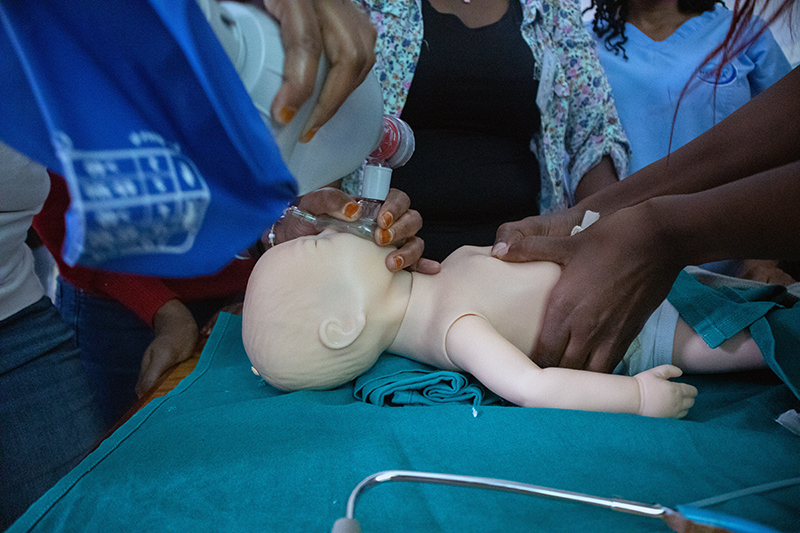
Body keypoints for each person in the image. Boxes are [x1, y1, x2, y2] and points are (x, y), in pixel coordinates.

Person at [0, 1, 387, 527]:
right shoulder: (75, 56)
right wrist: (161, 307)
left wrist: (278, 229)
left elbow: (266, 178)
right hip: (110, 293)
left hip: (213, 296)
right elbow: (65, 204)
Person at [239, 229, 784, 419]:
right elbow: (534, 387)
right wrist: (636, 397)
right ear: (343, 326)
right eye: (325, 242)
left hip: (635, 276)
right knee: (771, 337)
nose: (340, 232)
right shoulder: (452, 329)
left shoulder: (436, 281)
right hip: (640, 330)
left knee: (763, 296)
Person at [490, 61, 800, 376]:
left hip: (652, 294)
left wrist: (662, 232)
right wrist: (592, 215)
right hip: (638, 286)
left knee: (756, 339)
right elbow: (786, 117)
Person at [340, 0, 630, 262]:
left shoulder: (550, 9)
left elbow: (595, 132)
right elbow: (323, 121)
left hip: (514, 258)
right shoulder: (365, 5)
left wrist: (599, 242)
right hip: (383, 250)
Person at [587, 0, 793, 281]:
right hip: (625, 263)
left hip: (734, 270)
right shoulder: (583, 46)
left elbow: (785, 150)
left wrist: (763, 263)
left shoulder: (743, 33)